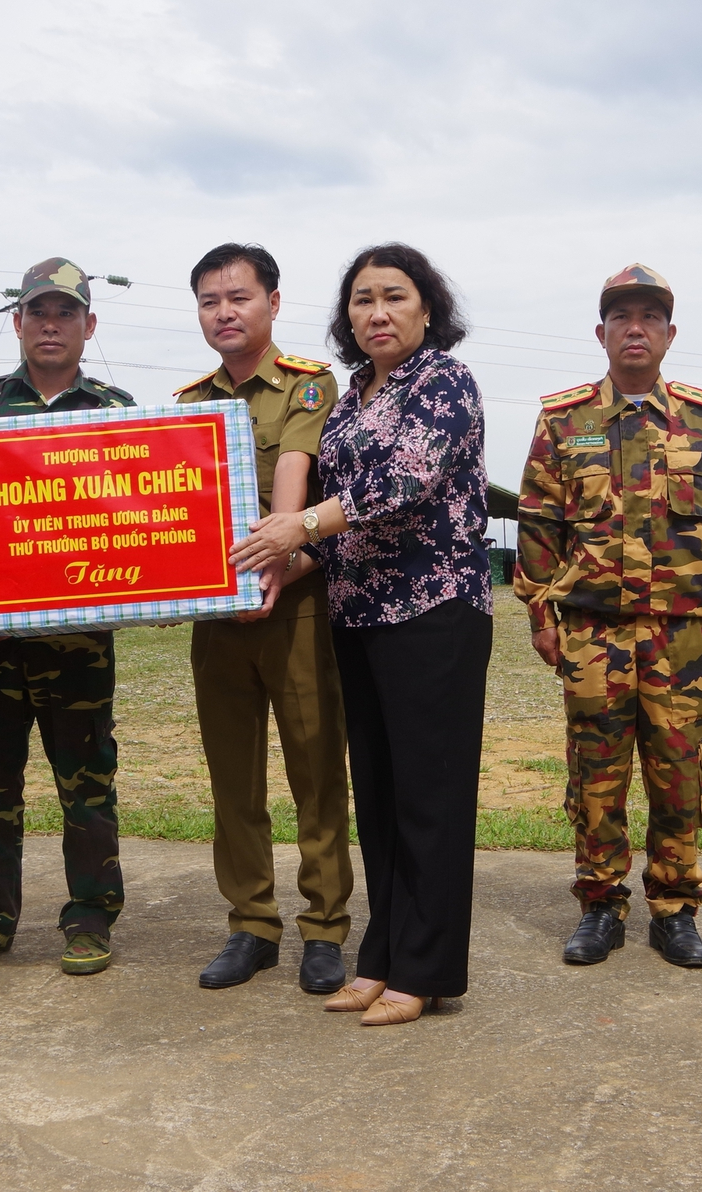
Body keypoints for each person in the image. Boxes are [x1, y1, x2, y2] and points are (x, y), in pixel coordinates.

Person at [231, 242, 492, 1026]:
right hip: (362, 613)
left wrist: (295, 525)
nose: (377, 312)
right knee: (379, 796)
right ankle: (382, 958)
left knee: (430, 799)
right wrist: (288, 561)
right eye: (361, 300)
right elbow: (340, 515)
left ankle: (428, 970)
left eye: (395, 296)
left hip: (434, 612)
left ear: (427, 308)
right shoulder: (353, 396)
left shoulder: (443, 383)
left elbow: (399, 484)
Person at [514, 264, 702, 970]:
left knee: (678, 774)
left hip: (681, 635)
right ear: (602, 333)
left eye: (650, 316)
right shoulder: (564, 420)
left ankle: (675, 908)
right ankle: (599, 904)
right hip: (593, 633)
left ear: (670, 334)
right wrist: (539, 615)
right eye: (622, 317)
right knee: (597, 775)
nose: (636, 328)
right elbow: (538, 522)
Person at [0, 258, 137, 978]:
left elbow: (141, 518)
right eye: (38, 312)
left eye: (66, 313)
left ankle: (91, 915)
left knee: (86, 783)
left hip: (78, 643)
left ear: (88, 326)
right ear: (16, 323)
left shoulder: (115, 413)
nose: (51, 323)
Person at [174, 242, 353, 995]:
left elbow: (303, 486)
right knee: (232, 777)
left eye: (238, 297)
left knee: (316, 771)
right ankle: (250, 924)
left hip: (299, 606)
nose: (225, 312)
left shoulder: (310, 387)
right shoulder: (184, 408)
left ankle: (324, 929)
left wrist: (280, 564)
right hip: (217, 618)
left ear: (272, 303)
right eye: (210, 301)